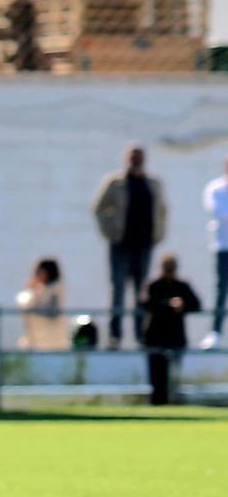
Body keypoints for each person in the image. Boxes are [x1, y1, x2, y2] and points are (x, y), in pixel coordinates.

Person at [92, 144, 167, 349]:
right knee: (118, 290)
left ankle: (141, 336)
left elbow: (162, 210)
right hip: (121, 245)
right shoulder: (115, 183)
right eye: (133, 157)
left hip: (144, 246)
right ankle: (115, 335)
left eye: (139, 157)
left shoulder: (153, 183)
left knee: (141, 293)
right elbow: (98, 208)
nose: (136, 161)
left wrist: (158, 235)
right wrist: (111, 232)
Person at [141, 253, 201, 405]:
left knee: (173, 378)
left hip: (175, 337)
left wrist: (183, 304)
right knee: (156, 376)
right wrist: (168, 304)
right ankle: (157, 404)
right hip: (155, 337)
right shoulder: (153, 285)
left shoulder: (182, 286)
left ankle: (173, 403)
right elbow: (145, 303)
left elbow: (196, 304)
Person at [200, 157, 228, 350]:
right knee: (221, 290)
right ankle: (215, 332)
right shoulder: (215, 188)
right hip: (223, 246)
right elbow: (219, 212)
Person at [15, 258, 68, 350]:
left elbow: (49, 309)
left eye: (41, 272)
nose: (38, 275)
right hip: (35, 336)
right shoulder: (37, 289)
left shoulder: (55, 289)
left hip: (52, 338)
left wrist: (34, 292)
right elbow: (24, 304)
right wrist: (30, 289)